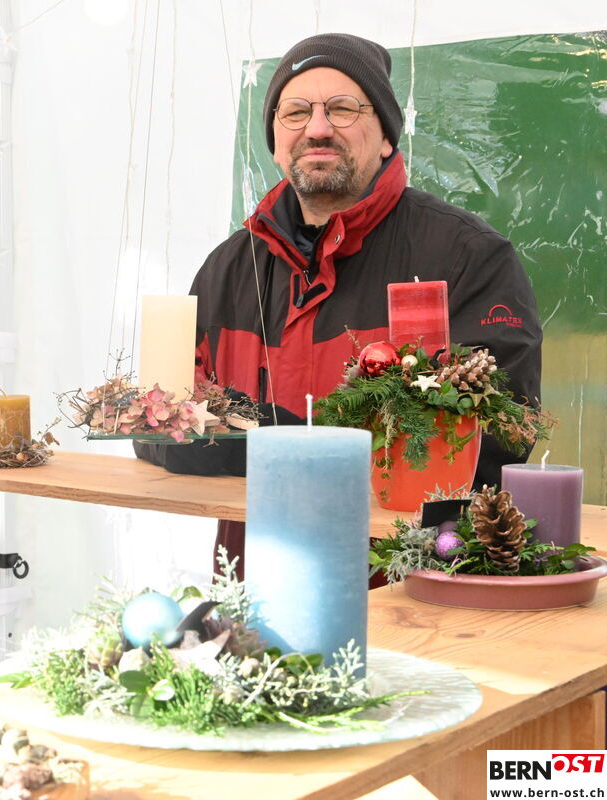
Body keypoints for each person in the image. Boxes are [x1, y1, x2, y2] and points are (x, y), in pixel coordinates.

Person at [137, 33, 541, 577]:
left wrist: (269, 442)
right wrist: (275, 442)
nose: (318, 128)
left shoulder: (466, 256)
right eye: (295, 112)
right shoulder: (227, 270)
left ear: (386, 137)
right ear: (275, 142)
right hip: (254, 588)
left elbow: (501, 435)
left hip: (404, 591)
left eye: (343, 108)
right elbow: (159, 426)